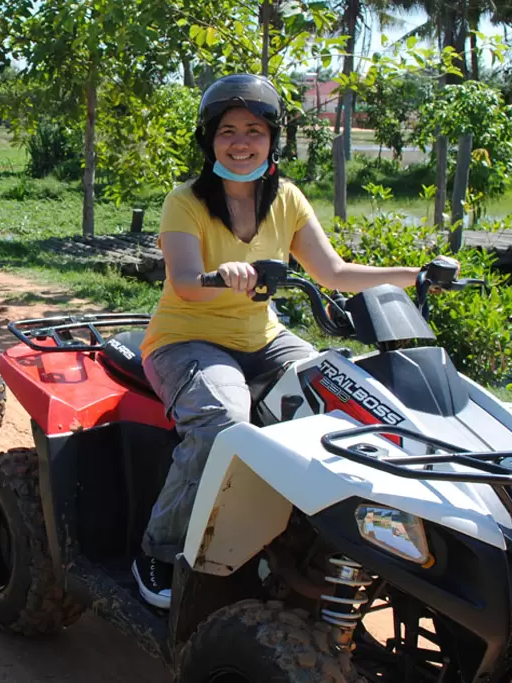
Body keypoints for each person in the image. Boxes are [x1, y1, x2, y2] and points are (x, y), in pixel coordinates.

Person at [132, 74, 435, 611]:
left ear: (274, 138)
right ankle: (159, 549)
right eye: (228, 131)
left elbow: (334, 272)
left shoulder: (288, 199)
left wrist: (418, 275)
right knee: (226, 421)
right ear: (210, 140)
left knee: (345, 400)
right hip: (186, 341)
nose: (241, 142)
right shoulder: (186, 201)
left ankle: (306, 540)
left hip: (265, 338)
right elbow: (182, 280)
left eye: (254, 129)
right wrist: (222, 274)